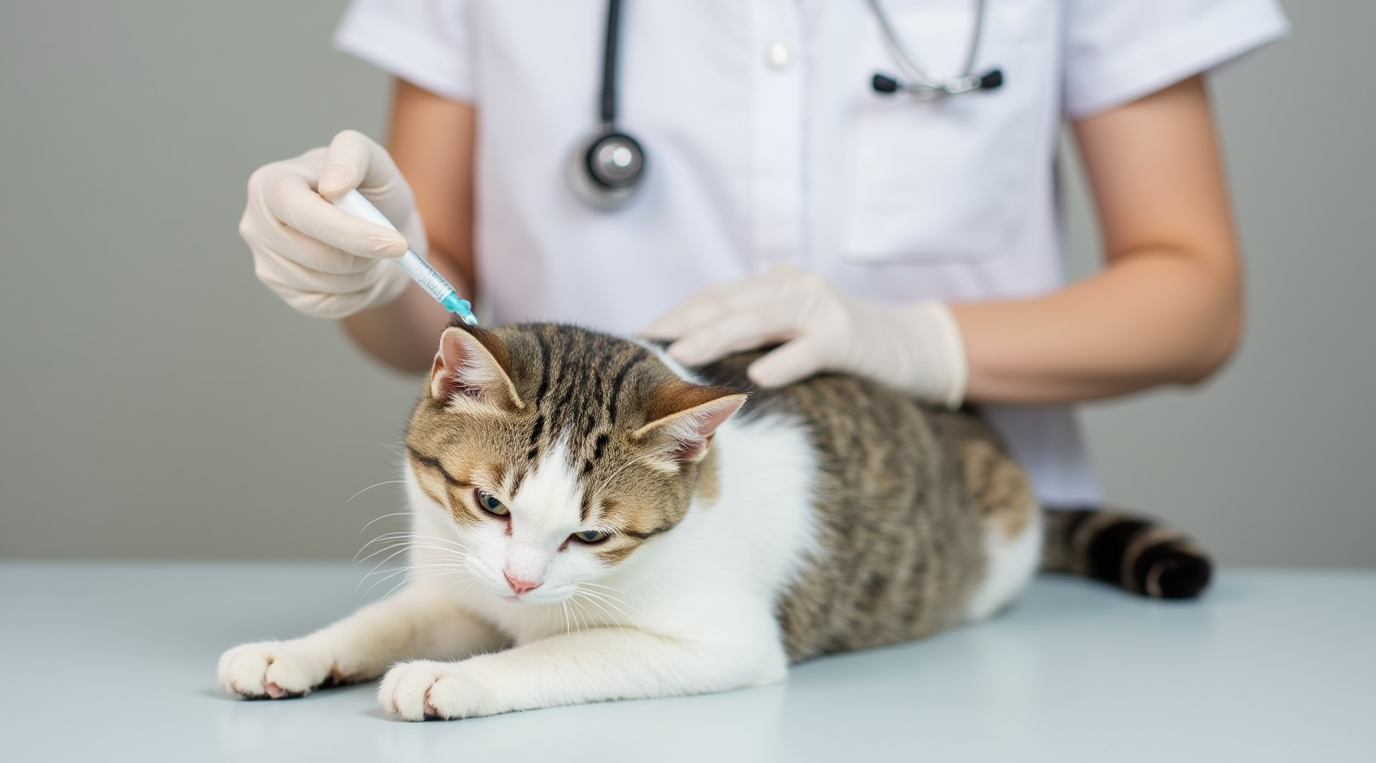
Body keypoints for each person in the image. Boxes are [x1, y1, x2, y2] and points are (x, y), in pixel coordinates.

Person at [240, 0, 1288, 508]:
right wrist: (368, 269)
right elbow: (433, 322)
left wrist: (919, 342)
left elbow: (1195, 301)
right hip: (581, 564)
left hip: (953, 545)